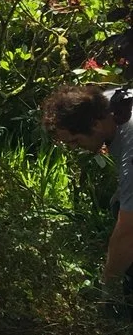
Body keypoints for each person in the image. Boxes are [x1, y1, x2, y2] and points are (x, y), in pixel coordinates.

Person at [40, 83, 133, 295]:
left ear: (95, 125)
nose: (73, 148)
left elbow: (128, 233)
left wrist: (108, 289)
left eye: (75, 140)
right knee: (120, 204)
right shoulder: (108, 103)